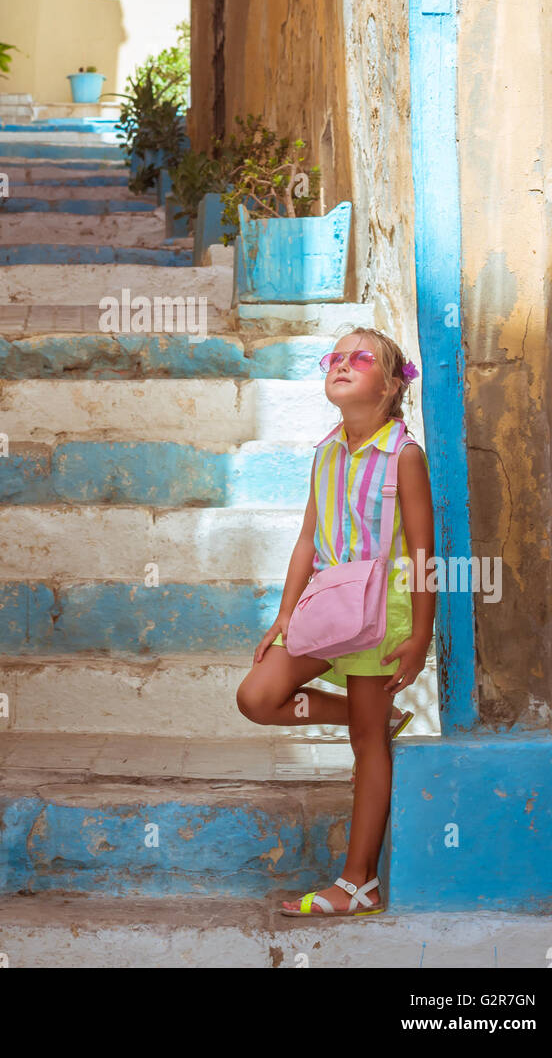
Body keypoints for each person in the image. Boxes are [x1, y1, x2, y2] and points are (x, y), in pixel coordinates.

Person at [235, 329, 435, 916]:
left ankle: (358, 883)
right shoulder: (325, 452)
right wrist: (284, 613)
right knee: (259, 696)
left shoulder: (405, 456)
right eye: (336, 358)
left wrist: (419, 635)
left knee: (367, 744)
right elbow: (306, 540)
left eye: (361, 358)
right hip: (326, 607)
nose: (344, 364)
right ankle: (376, 712)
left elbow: (424, 556)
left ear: (392, 385)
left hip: (379, 614)